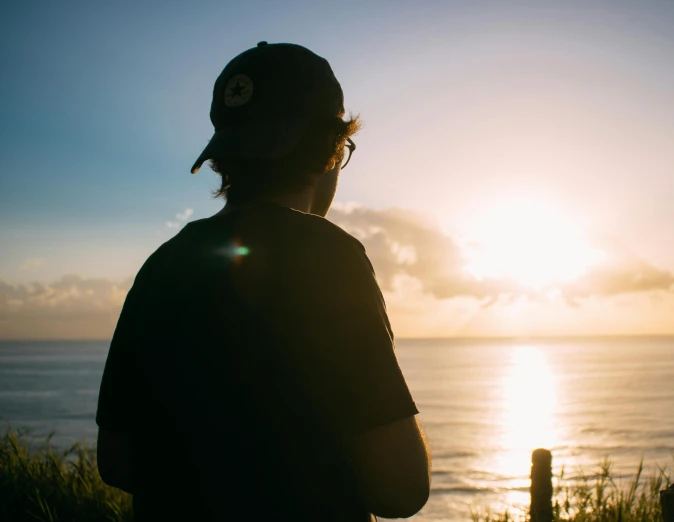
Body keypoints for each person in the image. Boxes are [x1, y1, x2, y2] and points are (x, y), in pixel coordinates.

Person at [95, 41, 431, 521]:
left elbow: (118, 462)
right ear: (332, 150)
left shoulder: (161, 265)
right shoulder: (332, 257)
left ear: (224, 154)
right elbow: (401, 489)